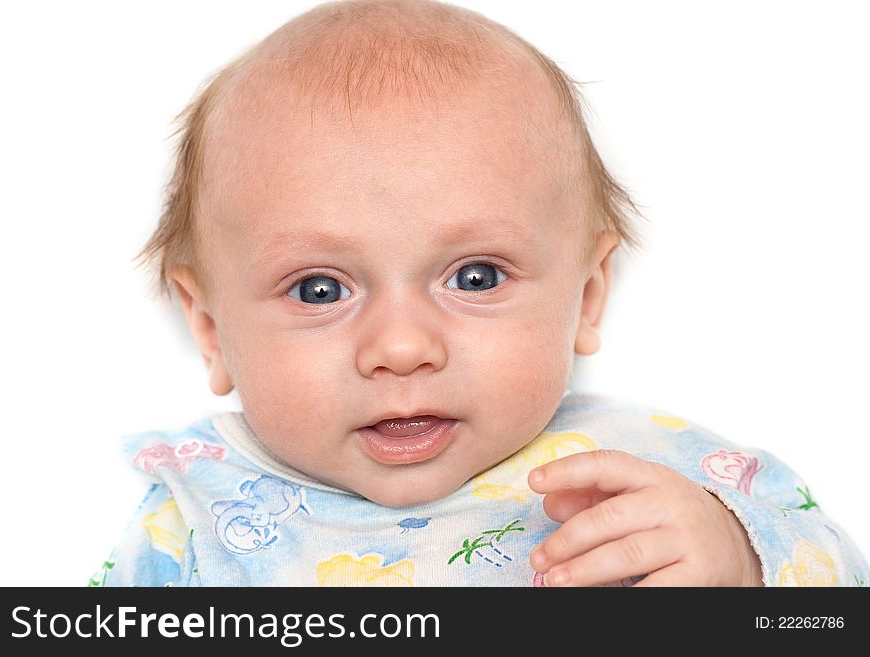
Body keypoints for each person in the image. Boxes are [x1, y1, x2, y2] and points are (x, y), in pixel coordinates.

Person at [93, 0, 867, 587]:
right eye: (320, 288)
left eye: (475, 277)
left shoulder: (655, 472)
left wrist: (739, 564)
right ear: (209, 325)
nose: (401, 347)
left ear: (588, 294)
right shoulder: (190, 523)